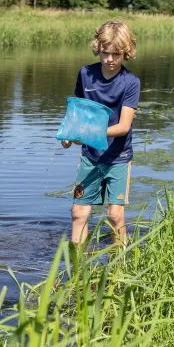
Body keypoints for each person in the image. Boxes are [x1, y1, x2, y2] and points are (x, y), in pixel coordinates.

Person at [61, 20, 141, 248]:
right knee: (78, 212)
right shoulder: (86, 74)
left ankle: (121, 263)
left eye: (116, 54)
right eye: (105, 53)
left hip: (118, 158)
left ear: (126, 52)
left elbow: (123, 126)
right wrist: (69, 132)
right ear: (98, 48)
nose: (110, 60)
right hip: (90, 156)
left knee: (114, 215)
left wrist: (88, 132)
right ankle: (78, 265)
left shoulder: (131, 83)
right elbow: (76, 111)